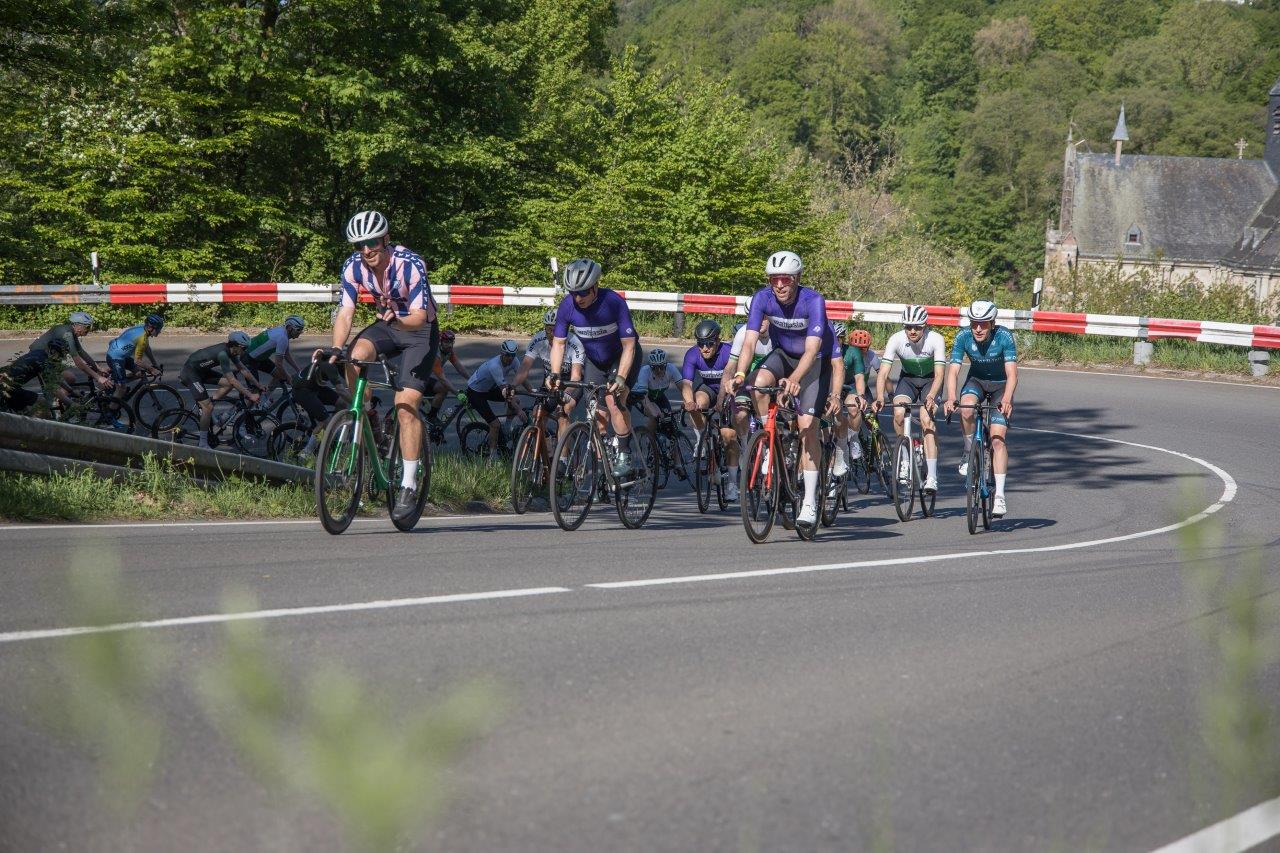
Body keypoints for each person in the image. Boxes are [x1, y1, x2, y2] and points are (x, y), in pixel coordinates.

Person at [332, 210, 439, 520]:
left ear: (386, 239)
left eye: (373, 243)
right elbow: (346, 312)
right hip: (387, 325)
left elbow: (418, 317)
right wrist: (336, 347)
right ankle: (366, 414)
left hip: (418, 331)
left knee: (405, 405)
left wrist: (397, 320)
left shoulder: (410, 264)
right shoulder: (353, 267)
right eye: (359, 245)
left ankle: (408, 484)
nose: (367, 250)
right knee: (353, 356)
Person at [729, 250, 833, 526]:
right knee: (757, 384)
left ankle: (809, 502)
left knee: (807, 426)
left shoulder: (813, 301)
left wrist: (795, 378)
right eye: (773, 280)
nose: (779, 285)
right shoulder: (762, 298)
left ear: (797, 278)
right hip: (783, 355)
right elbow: (749, 342)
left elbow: (812, 350)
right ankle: (768, 438)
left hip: (813, 364)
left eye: (785, 279)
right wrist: (740, 373)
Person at [547, 258, 643, 477]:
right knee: (596, 416)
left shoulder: (614, 303)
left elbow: (629, 346)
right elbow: (559, 343)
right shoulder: (567, 306)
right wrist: (554, 373)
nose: (577, 298)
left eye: (582, 292)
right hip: (596, 361)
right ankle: (603, 467)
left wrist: (621, 378)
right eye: (573, 293)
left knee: (613, 400)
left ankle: (624, 453)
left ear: (595, 287)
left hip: (622, 356)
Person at [943, 299, 1018, 518]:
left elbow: (1012, 374)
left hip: (1000, 386)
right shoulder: (963, 336)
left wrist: (1007, 399)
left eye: (983, 324)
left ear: (992, 323)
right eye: (974, 323)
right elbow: (953, 371)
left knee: (997, 439)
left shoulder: (1004, 336)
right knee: (966, 409)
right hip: (976, 381)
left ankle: (1000, 495)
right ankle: (969, 450)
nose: (977, 328)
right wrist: (951, 397)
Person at [873, 305, 946, 493]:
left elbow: (939, 374)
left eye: (917, 327)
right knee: (898, 413)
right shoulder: (896, 339)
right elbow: (883, 373)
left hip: (931, 381)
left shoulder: (936, 339)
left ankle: (932, 476)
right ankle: (905, 457)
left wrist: (931, 395)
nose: (912, 331)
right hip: (908, 380)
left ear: (925, 326)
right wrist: (880, 396)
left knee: (926, 419)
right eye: (908, 327)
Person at [680, 319, 740, 501]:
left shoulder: (728, 352)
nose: (704, 348)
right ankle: (702, 439)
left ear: (718, 341)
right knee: (697, 401)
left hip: (729, 391)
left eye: (709, 344)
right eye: (701, 344)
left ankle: (732, 484)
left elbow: (731, 380)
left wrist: (722, 403)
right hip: (708, 389)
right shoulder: (692, 354)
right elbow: (687, 383)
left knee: (728, 436)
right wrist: (689, 403)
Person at [180, 331, 260, 448]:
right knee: (208, 407)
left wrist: (258, 385)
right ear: (236, 346)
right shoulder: (223, 354)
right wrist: (250, 395)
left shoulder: (232, 351)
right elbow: (232, 379)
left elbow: (244, 370)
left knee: (227, 385)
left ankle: (209, 404)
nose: (245, 350)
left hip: (201, 370)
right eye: (244, 348)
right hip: (190, 373)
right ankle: (203, 443)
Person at [511, 309, 585, 435]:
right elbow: (524, 367)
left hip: (571, 382)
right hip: (550, 381)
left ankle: (562, 448)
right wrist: (512, 386)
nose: (551, 333)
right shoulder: (538, 339)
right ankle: (546, 446)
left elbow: (576, 376)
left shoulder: (575, 343)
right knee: (537, 413)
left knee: (562, 412)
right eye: (548, 329)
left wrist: (566, 393)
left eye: (555, 330)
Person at [30, 311, 112, 404]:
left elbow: (82, 352)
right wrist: (98, 377)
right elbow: (78, 363)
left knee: (70, 378)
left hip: (49, 360)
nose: (89, 330)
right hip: (39, 360)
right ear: (77, 325)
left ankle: (61, 403)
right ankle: (55, 405)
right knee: (54, 389)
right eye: (87, 327)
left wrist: (98, 368)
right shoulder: (67, 334)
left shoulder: (71, 331)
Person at [466, 339, 528, 460]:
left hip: (489, 389)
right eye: (507, 355)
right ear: (502, 353)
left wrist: (532, 391)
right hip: (475, 392)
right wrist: (519, 410)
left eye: (512, 355)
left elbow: (521, 377)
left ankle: (507, 427)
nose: (510, 358)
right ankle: (492, 457)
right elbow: (505, 393)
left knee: (516, 400)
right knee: (495, 424)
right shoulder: (495, 366)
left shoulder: (514, 360)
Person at [104, 313, 164, 428]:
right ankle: (109, 416)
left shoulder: (142, 329)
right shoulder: (142, 338)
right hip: (115, 357)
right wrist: (151, 369)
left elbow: (146, 348)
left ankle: (115, 383)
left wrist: (154, 363)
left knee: (140, 373)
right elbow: (138, 361)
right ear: (151, 328)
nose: (159, 332)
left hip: (120, 354)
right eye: (158, 329)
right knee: (122, 388)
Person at [1, 337, 69, 413]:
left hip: (7, 386)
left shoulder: (39, 353)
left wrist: (71, 391)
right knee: (42, 404)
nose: (60, 359)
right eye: (60, 356)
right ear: (53, 351)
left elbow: (55, 378)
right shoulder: (43, 362)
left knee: (23, 410)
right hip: (7, 387)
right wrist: (71, 403)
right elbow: (53, 387)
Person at [244, 315, 305, 393]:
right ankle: (249, 398)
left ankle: (265, 397)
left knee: (280, 375)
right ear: (289, 328)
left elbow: (286, 354)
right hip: (248, 359)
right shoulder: (282, 338)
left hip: (259, 358)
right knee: (255, 393)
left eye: (301, 330)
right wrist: (288, 376)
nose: (299, 333)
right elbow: (278, 364)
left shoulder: (282, 331)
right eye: (298, 330)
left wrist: (298, 369)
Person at [423, 330, 473, 423]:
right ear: (440, 342)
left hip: (426, 377)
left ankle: (431, 418)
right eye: (446, 342)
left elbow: (460, 368)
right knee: (444, 388)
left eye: (451, 342)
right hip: (416, 378)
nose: (449, 345)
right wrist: (457, 394)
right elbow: (442, 379)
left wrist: (472, 380)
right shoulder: (435, 354)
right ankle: (431, 418)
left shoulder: (448, 351)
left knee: (437, 398)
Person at [630, 348, 676, 436]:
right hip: (644, 397)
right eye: (654, 367)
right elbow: (644, 397)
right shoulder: (645, 371)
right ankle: (649, 439)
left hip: (659, 396)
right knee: (655, 417)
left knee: (670, 420)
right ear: (650, 366)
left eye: (661, 367)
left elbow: (683, 386)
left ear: (666, 365)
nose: (658, 370)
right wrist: (654, 414)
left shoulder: (671, 368)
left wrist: (688, 402)